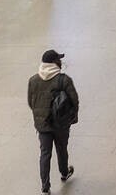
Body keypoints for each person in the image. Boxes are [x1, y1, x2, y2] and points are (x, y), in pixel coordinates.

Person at [28, 49, 79, 190]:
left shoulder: (33, 80)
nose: (60, 61)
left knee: (45, 153)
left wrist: (40, 115)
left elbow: (30, 102)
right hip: (61, 123)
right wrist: (72, 118)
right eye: (58, 59)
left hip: (42, 124)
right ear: (54, 63)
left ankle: (45, 186)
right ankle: (64, 172)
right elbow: (75, 100)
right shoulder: (64, 80)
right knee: (62, 149)